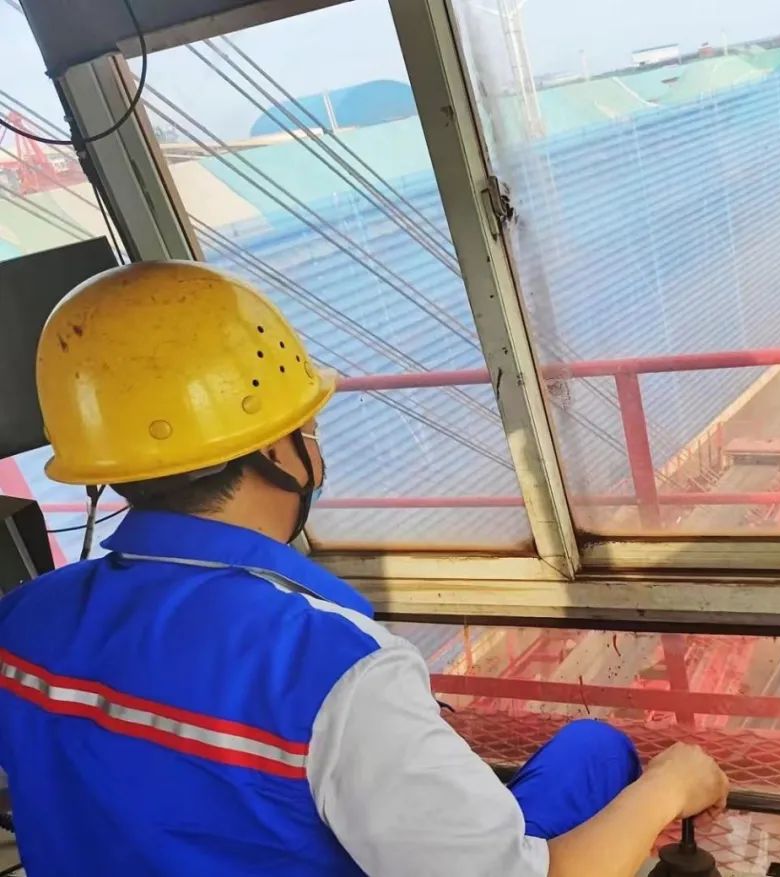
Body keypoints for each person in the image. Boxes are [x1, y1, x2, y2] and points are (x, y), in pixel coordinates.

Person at [0, 261, 729, 876]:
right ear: (277, 452)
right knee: (598, 750)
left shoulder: (22, 617)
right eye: (308, 429)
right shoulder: (332, 669)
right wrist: (673, 784)